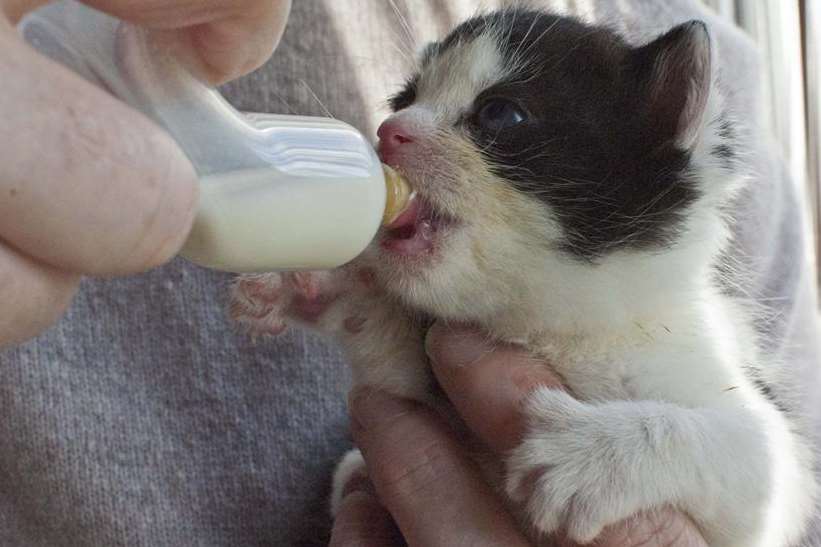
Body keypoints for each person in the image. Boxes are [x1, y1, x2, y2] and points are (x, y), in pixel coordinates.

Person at [0, 1, 817, 546]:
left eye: (498, 115)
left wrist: (637, 448)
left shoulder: (664, 331)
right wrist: (340, 298)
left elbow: (760, 479)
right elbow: (401, 398)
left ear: (653, 144)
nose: (394, 127)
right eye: (410, 95)